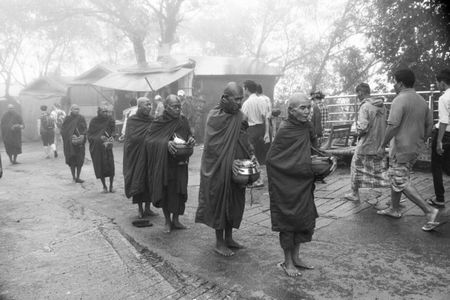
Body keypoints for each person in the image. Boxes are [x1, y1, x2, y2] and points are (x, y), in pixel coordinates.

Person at [267, 93, 332, 277]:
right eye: (303, 108)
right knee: (288, 221)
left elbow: (313, 148)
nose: (307, 111)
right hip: (285, 183)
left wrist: (322, 159)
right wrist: (303, 163)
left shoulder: (307, 126)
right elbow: (272, 159)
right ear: (291, 110)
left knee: (302, 218)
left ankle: (296, 257)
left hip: (303, 181)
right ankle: (287, 262)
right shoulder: (285, 129)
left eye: (309, 108)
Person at [376, 69, 440, 231]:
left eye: (395, 82)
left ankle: (429, 211)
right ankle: (394, 208)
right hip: (415, 147)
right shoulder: (422, 100)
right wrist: (420, 140)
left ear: (401, 83)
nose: (394, 85)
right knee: (397, 175)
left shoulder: (400, 99)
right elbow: (429, 126)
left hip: (401, 149)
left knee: (400, 180)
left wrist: (382, 144)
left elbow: (393, 125)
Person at [195, 82, 254, 257]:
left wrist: (251, 154)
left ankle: (229, 238)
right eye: (236, 99)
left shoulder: (241, 117)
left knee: (234, 203)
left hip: (238, 168)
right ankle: (219, 242)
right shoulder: (214, 117)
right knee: (220, 202)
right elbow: (212, 148)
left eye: (241, 99)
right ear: (224, 98)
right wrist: (229, 163)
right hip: (218, 169)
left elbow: (244, 139)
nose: (239, 103)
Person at [144, 94, 195, 233]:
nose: (178, 109)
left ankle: (176, 220)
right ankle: (167, 221)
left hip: (181, 161)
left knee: (180, 190)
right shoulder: (159, 122)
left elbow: (188, 134)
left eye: (179, 106)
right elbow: (149, 140)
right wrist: (165, 143)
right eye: (174, 107)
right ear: (166, 107)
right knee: (166, 191)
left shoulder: (183, 120)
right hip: (165, 163)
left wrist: (191, 139)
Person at [344, 83, 389, 202]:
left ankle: (354, 193)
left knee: (355, 166)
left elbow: (363, 127)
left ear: (360, 92)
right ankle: (391, 193)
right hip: (380, 144)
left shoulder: (365, 106)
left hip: (366, 144)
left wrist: (357, 132)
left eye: (357, 93)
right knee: (380, 170)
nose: (357, 96)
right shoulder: (382, 106)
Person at [123, 97, 157, 219]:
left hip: (149, 155)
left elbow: (156, 135)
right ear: (139, 106)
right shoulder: (132, 120)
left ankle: (148, 208)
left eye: (150, 105)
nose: (149, 107)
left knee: (149, 181)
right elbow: (131, 138)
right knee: (138, 181)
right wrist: (145, 137)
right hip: (136, 156)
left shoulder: (153, 120)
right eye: (147, 105)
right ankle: (140, 209)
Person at [427, 69, 450, 208]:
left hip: (445, 133)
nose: (436, 84)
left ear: (442, 83)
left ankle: (439, 198)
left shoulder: (444, 98)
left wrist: (439, 141)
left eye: (437, 82)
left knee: (436, 165)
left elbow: (443, 121)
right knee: (448, 164)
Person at [241, 80, 270, 187]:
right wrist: (266, 133)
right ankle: (259, 178)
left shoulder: (246, 103)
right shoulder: (262, 101)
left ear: (247, 89)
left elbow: (243, 121)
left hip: (251, 130)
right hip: (262, 129)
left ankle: (258, 179)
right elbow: (266, 118)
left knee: (251, 154)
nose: (243, 91)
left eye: (244, 88)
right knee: (260, 154)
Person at [87, 105, 116, 193]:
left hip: (107, 146)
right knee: (100, 165)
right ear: (99, 112)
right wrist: (98, 139)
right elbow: (90, 134)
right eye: (103, 111)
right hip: (97, 148)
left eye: (107, 111)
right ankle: (104, 186)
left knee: (111, 165)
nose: (106, 113)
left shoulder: (110, 120)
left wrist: (112, 137)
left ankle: (111, 186)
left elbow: (114, 131)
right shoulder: (94, 121)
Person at [61, 104, 87, 183]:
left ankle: (78, 177)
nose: (77, 110)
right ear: (71, 110)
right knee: (72, 160)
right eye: (75, 109)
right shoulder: (68, 118)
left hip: (80, 143)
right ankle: (73, 177)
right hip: (70, 144)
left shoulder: (81, 118)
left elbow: (85, 128)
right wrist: (70, 137)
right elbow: (63, 130)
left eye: (78, 109)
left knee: (80, 160)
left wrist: (82, 136)